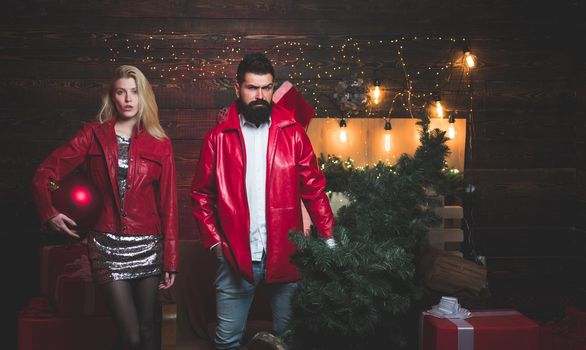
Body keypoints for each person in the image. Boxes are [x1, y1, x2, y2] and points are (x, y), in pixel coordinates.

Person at [190, 52, 335, 350]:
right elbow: (201, 196)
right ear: (237, 88)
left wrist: (329, 238)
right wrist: (216, 243)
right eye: (252, 88)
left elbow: (313, 187)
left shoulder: (293, 133)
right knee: (227, 341)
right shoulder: (217, 138)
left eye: (266, 88)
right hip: (235, 258)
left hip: (286, 256)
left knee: (292, 338)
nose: (260, 96)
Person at [32, 65, 179, 350]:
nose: (128, 99)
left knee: (148, 330)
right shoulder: (93, 135)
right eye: (121, 92)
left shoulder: (160, 143)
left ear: (143, 97)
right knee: (131, 335)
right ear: (112, 97)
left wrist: (171, 259)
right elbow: (46, 175)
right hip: (106, 246)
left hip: (149, 245)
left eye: (134, 92)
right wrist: (49, 210)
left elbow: (169, 204)